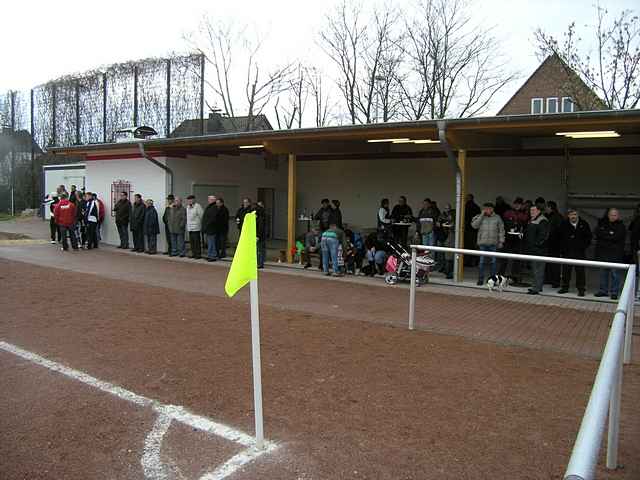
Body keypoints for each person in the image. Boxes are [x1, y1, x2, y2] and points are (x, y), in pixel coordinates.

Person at [558, 209, 592, 296]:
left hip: (579, 252)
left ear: (578, 215)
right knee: (566, 271)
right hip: (567, 252)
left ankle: (581, 289)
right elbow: (559, 237)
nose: (573, 216)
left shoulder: (584, 224)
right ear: (568, 216)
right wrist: (563, 249)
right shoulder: (563, 224)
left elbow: (588, 238)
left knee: (580, 271)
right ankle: (565, 287)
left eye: (575, 214)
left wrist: (582, 247)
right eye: (571, 214)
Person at [594, 208, 626, 300]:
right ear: (608, 215)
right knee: (603, 273)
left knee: (615, 274)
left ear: (618, 216)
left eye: (615, 215)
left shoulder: (621, 226)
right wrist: (609, 235)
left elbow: (616, 237)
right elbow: (598, 234)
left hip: (616, 254)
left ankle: (614, 292)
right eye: (611, 215)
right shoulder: (603, 224)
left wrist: (605, 236)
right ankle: (603, 291)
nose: (613, 216)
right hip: (604, 253)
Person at [471, 202, 505, 285]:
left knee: (493, 263)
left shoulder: (497, 218)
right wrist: (481, 215)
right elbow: (474, 226)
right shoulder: (479, 216)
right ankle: (480, 279)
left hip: (494, 243)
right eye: (484, 208)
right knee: (481, 262)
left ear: (492, 209)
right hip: (482, 243)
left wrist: (501, 241)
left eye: (488, 208)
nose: (486, 210)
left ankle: (492, 280)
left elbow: (501, 230)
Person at [524, 204, 549, 295]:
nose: (531, 212)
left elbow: (544, 236)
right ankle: (536, 287)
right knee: (534, 270)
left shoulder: (542, 220)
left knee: (538, 270)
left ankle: (536, 288)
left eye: (533, 210)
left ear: (539, 211)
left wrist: (536, 245)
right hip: (533, 249)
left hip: (539, 250)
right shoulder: (532, 220)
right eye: (531, 210)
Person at [544, 201, 563, 288]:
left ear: (551, 208)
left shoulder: (557, 217)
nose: (545, 209)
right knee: (548, 263)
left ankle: (555, 281)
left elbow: (558, 231)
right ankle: (549, 279)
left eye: (546, 207)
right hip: (550, 243)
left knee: (555, 263)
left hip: (555, 244)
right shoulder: (549, 217)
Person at [436, 204, 455, 279]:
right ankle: (443, 268)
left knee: (449, 255)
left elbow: (452, 225)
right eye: (445, 208)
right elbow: (437, 224)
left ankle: (448, 271)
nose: (446, 209)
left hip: (449, 237)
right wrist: (441, 224)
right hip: (442, 236)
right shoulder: (441, 215)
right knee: (441, 254)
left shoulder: (453, 215)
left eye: (448, 208)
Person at [464, 194, 481, 266]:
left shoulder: (466, 206)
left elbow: (465, 217)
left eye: (466, 198)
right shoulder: (476, 207)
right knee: (473, 246)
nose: (465, 199)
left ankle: (469, 262)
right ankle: (475, 261)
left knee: (468, 246)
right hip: (474, 229)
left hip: (468, 229)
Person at [201, 195, 219, 262]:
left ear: (213, 200)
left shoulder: (214, 207)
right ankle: (210, 255)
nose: (208, 200)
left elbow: (212, 219)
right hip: (208, 228)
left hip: (211, 228)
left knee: (211, 243)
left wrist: (206, 225)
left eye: (209, 199)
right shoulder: (210, 207)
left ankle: (213, 256)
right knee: (210, 242)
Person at [186, 195, 203, 259]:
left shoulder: (197, 206)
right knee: (192, 242)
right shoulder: (188, 207)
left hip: (196, 227)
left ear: (193, 200)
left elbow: (201, 216)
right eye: (188, 200)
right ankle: (193, 253)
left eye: (190, 200)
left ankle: (198, 254)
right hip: (190, 227)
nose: (189, 201)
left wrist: (199, 224)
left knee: (197, 242)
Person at [255, 201, 267, 268]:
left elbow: (260, 228)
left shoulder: (260, 218)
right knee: (260, 249)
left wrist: (258, 236)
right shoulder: (261, 216)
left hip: (260, 236)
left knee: (259, 250)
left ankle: (260, 263)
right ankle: (260, 262)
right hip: (261, 235)